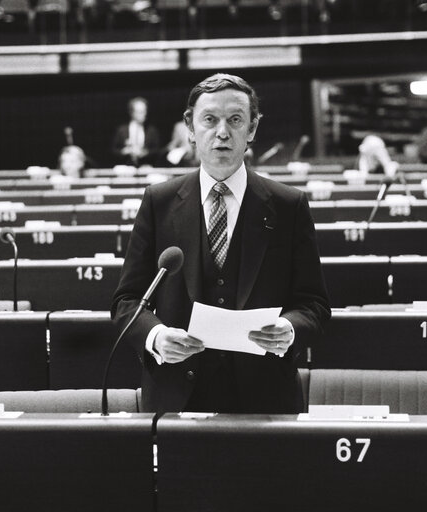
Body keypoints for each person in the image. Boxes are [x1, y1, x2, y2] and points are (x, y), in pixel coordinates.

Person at [111, 74, 330, 414]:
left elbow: (314, 305)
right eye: (210, 120)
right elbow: (126, 301)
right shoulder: (159, 202)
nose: (223, 133)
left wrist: (289, 329)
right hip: (175, 397)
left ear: (252, 129)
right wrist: (155, 338)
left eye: (236, 120)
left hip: (267, 396)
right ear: (190, 127)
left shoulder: (289, 205)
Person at [111, 97, 160, 166]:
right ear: (132, 113)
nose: (144, 114)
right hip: (126, 167)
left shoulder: (151, 130)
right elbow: (113, 151)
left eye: (145, 111)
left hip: (146, 166)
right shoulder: (121, 130)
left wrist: (145, 153)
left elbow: (157, 151)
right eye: (140, 112)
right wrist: (125, 151)